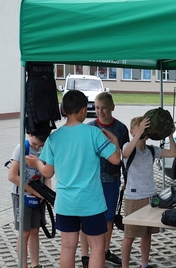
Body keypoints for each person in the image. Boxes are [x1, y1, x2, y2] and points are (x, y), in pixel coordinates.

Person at [25, 90, 121, 268]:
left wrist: (37, 162)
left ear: (63, 110)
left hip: (65, 203)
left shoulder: (54, 138)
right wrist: (114, 140)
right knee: (97, 247)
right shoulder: (94, 133)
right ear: (84, 110)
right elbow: (116, 159)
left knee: (68, 247)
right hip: (91, 202)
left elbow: (47, 173)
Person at [80, 92, 130, 267]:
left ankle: (105, 251)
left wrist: (127, 179)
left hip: (112, 179)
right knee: (87, 217)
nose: (100, 112)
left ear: (112, 108)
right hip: (91, 181)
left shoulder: (121, 129)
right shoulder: (89, 127)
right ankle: (85, 255)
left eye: (104, 108)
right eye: (97, 108)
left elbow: (125, 156)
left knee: (108, 218)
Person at [121, 116, 176, 268]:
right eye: (139, 129)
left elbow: (173, 153)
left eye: (145, 129)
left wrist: (170, 134)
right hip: (134, 198)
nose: (143, 132)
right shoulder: (128, 146)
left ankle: (144, 264)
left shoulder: (152, 150)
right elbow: (125, 154)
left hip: (151, 197)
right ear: (132, 132)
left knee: (146, 234)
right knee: (130, 235)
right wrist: (139, 131)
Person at [8, 133, 50, 268]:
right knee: (24, 232)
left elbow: (46, 175)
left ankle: (35, 264)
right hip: (22, 196)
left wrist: (48, 194)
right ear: (29, 135)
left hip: (38, 196)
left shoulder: (46, 149)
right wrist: (35, 192)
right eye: (34, 144)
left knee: (35, 230)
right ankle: (23, 265)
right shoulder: (22, 148)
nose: (37, 148)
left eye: (41, 145)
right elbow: (12, 176)